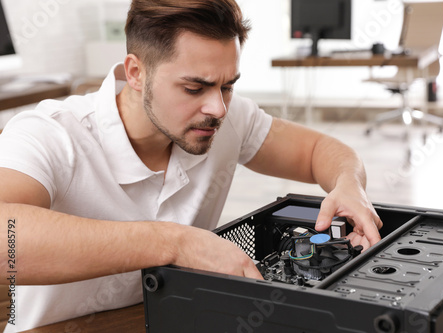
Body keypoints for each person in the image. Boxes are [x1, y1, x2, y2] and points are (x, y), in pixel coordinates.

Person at [0, 0, 382, 331]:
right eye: (194, 88)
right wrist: (174, 242)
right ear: (136, 73)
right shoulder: (50, 134)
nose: (217, 108)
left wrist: (349, 183)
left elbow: (319, 150)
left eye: (227, 85)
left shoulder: (226, 119)